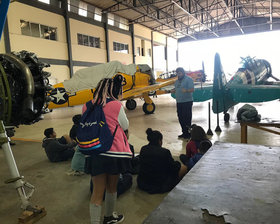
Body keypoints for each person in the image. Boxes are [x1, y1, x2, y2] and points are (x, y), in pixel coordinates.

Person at [84, 75, 132, 224]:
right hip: (113, 153)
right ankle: (109, 217)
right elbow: (125, 126)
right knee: (112, 188)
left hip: (94, 151)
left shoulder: (87, 105)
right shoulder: (116, 105)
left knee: (97, 192)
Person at [137, 128, 187, 194]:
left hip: (143, 183)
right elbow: (173, 167)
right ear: (159, 141)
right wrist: (178, 164)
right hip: (160, 184)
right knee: (184, 168)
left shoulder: (143, 149)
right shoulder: (164, 152)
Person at [166, 67, 194, 139]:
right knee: (180, 117)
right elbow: (177, 89)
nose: (179, 74)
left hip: (187, 101)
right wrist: (173, 90)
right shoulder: (177, 81)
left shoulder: (189, 79)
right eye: (178, 73)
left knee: (187, 117)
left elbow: (192, 89)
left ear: (183, 72)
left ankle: (188, 133)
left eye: (180, 73)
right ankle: (184, 132)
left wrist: (186, 91)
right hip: (179, 102)